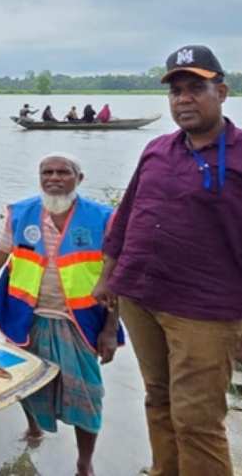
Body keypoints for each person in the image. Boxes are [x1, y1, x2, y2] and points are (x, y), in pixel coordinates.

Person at [94, 45, 242, 476]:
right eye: (176, 91)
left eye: (196, 88)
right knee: (158, 399)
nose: (183, 99)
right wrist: (108, 277)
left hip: (205, 310)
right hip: (140, 297)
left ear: (223, 92)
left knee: (197, 421)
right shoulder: (157, 149)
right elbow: (125, 215)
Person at [0, 152, 122, 476]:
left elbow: (117, 277)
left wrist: (110, 329)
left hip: (79, 321)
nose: (54, 178)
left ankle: (84, 463)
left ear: (79, 179)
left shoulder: (103, 217)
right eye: (47, 172)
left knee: (88, 393)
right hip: (26, 316)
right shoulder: (20, 213)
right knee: (27, 383)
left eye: (63, 172)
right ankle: (35, 430)